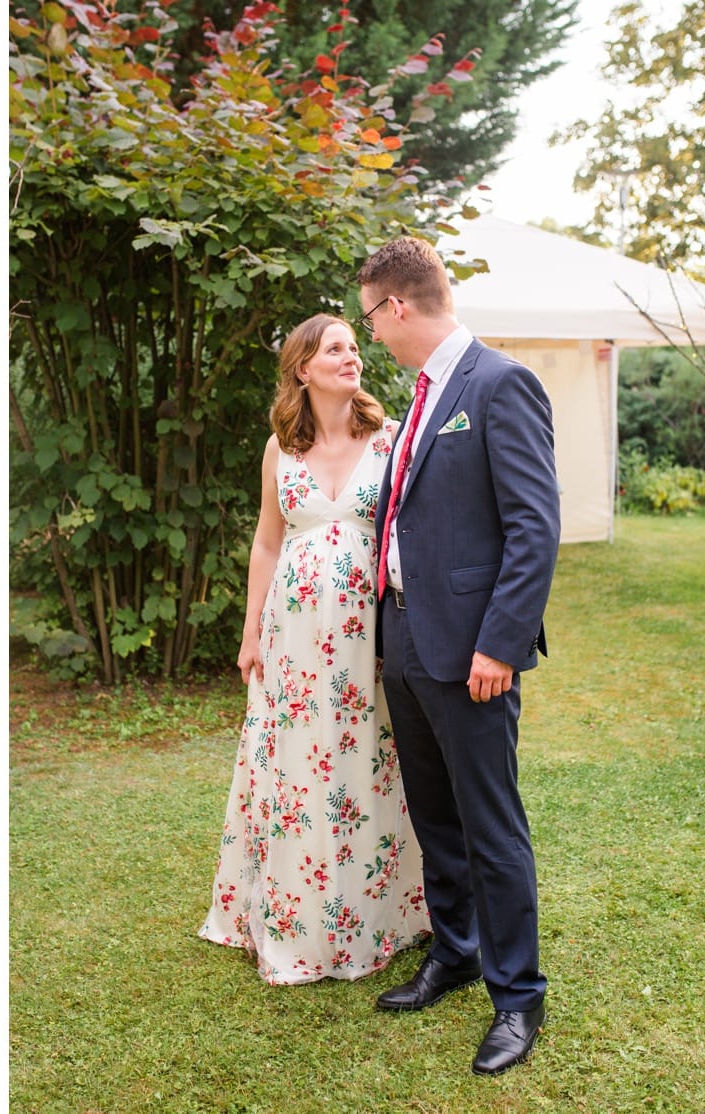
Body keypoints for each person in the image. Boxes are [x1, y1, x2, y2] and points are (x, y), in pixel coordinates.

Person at [357, 237, 560, 1075]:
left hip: (474, 651)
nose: (370, 333)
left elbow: (533, 528)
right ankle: (457, 951)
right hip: (404, 636)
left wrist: (499, 645)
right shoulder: (422, 393)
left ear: (397, 306)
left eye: (370, 315)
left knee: (491, 826)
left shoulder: (499, 383)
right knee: (433, 814)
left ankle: (518, 997)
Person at [199, 313, 430, 984]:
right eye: (335, 348)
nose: (351, 357)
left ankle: (380, 911)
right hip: (293, 635)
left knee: (370, 759)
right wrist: (249, 632)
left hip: (371, 634)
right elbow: (269, 541)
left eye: (355, 348)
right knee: (297, 764)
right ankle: (293, 912)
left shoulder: (387, 439)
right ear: (303, 367)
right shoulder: (280, 449)